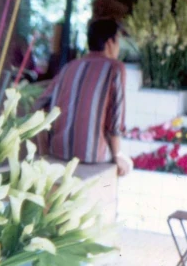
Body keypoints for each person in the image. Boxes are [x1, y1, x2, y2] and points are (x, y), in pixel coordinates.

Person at [34, 19, 132, 176]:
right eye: (118, 41)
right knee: (127, 166)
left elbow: (39, 106)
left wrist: (44, 151)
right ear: (109, 42)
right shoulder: (115, 67)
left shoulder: (69, 67)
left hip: (58, 152)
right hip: (92, 157)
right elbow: (116, 118)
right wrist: (118, 155)